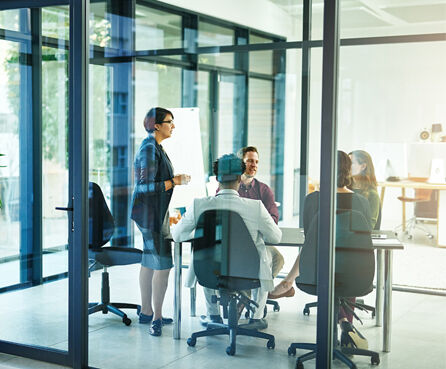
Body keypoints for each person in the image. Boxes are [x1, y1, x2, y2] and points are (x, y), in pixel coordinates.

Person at [270, 151, 372, 349]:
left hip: (317, 276)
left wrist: (290, 277)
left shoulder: (314, 200)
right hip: (355, 275)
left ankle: (287, 283)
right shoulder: (361, 202)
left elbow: (310, 242)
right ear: (348, 171)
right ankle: (346, 326)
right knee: (344, 265)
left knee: (328, 264)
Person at [172, 154, 282, 331]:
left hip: (210, 273)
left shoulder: (199, 205)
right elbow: (276, 237)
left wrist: (200, 233)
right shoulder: (255, 207)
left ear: (217, 179)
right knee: (265, 256)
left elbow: (177, 235)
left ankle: (213, 315)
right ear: (240, 178)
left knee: (207, 254)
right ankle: (255, 317)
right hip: (248, 273)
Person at [131, 107, 191, 336]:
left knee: (148, 261)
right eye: (170, 122)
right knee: (163, 266)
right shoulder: (148, 148)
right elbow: (144, 188)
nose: (173, 125)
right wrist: (175, 181)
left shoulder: (154, 147)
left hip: (152, 213)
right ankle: (156, 318)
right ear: (157, 125)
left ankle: (147, 311)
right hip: (151, 216)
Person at [237, 146, 292, 299]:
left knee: (278, 259)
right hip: (235, 243)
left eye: (256, 162)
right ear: (240, 163)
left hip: (258, 240)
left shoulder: (263, 189)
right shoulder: (230, 187)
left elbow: (273, 218)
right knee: (260, 261)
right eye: (249, 161)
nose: (254, 165)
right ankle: (251, 297)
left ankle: (256, 295)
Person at [349, 150, 380, 229]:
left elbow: (369, 226)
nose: (346, 166)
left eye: (351, 163)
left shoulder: (372, 195)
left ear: (363, 166)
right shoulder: (344, 189)